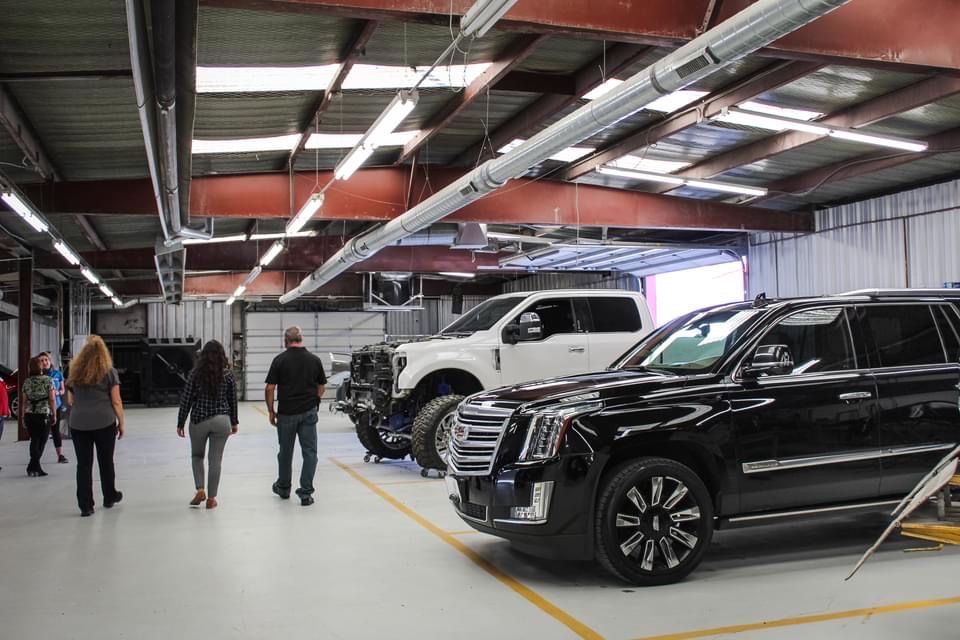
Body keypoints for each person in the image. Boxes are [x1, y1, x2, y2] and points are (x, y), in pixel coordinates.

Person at [264, 326, 326, 506]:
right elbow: (321, 386)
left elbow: (269, 387)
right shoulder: (314, 360)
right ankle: (305, 493)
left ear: (286, 341)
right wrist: (314, 400)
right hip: (308, 413)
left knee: (285, 453)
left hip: (286, 414)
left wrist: (270, 410)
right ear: (301, 339)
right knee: (310, 453)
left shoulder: (280, 360)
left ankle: (283, 488)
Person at [176, 340, 239, 509]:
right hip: (222, 421)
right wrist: (234, 422)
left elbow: (186, 399)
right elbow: (233, 400)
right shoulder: (228, 375)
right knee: (215, 460)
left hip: (199, 420)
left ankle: (200, 489)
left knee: (197, 456)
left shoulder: (195, 374)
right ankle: (211, 499)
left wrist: (181, 422)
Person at [66, 335, 124, 517]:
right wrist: (121, 422)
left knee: (83, 464)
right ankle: (109, 496)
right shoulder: (109, 371)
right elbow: (116, 401)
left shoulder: (74, 372)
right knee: (105, 461)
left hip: (78, 423)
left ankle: (85, 505)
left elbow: (70, 400)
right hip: (104, 422)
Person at [22, 356, 56, 477]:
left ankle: (33, 466)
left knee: (34, 439)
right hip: (43, 414)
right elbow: (52, 399)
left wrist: (22, 416)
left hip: (30, 414)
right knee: (43, 440)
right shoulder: (48, 380)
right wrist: (54, 414)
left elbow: (24, 401)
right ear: (40, 366)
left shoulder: (27, 381)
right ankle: (34, 465)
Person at [40, 352, 69, 464]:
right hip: (43, 408)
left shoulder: (57, 374)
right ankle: (37, 457)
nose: (44, 362)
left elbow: (63, 390)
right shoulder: (38, 375)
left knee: (56, 431)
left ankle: (60, 455)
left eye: (46, 360)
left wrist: (57, 392)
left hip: (56, 406)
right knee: (43, 433)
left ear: (50, 361)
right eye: (41, 360)